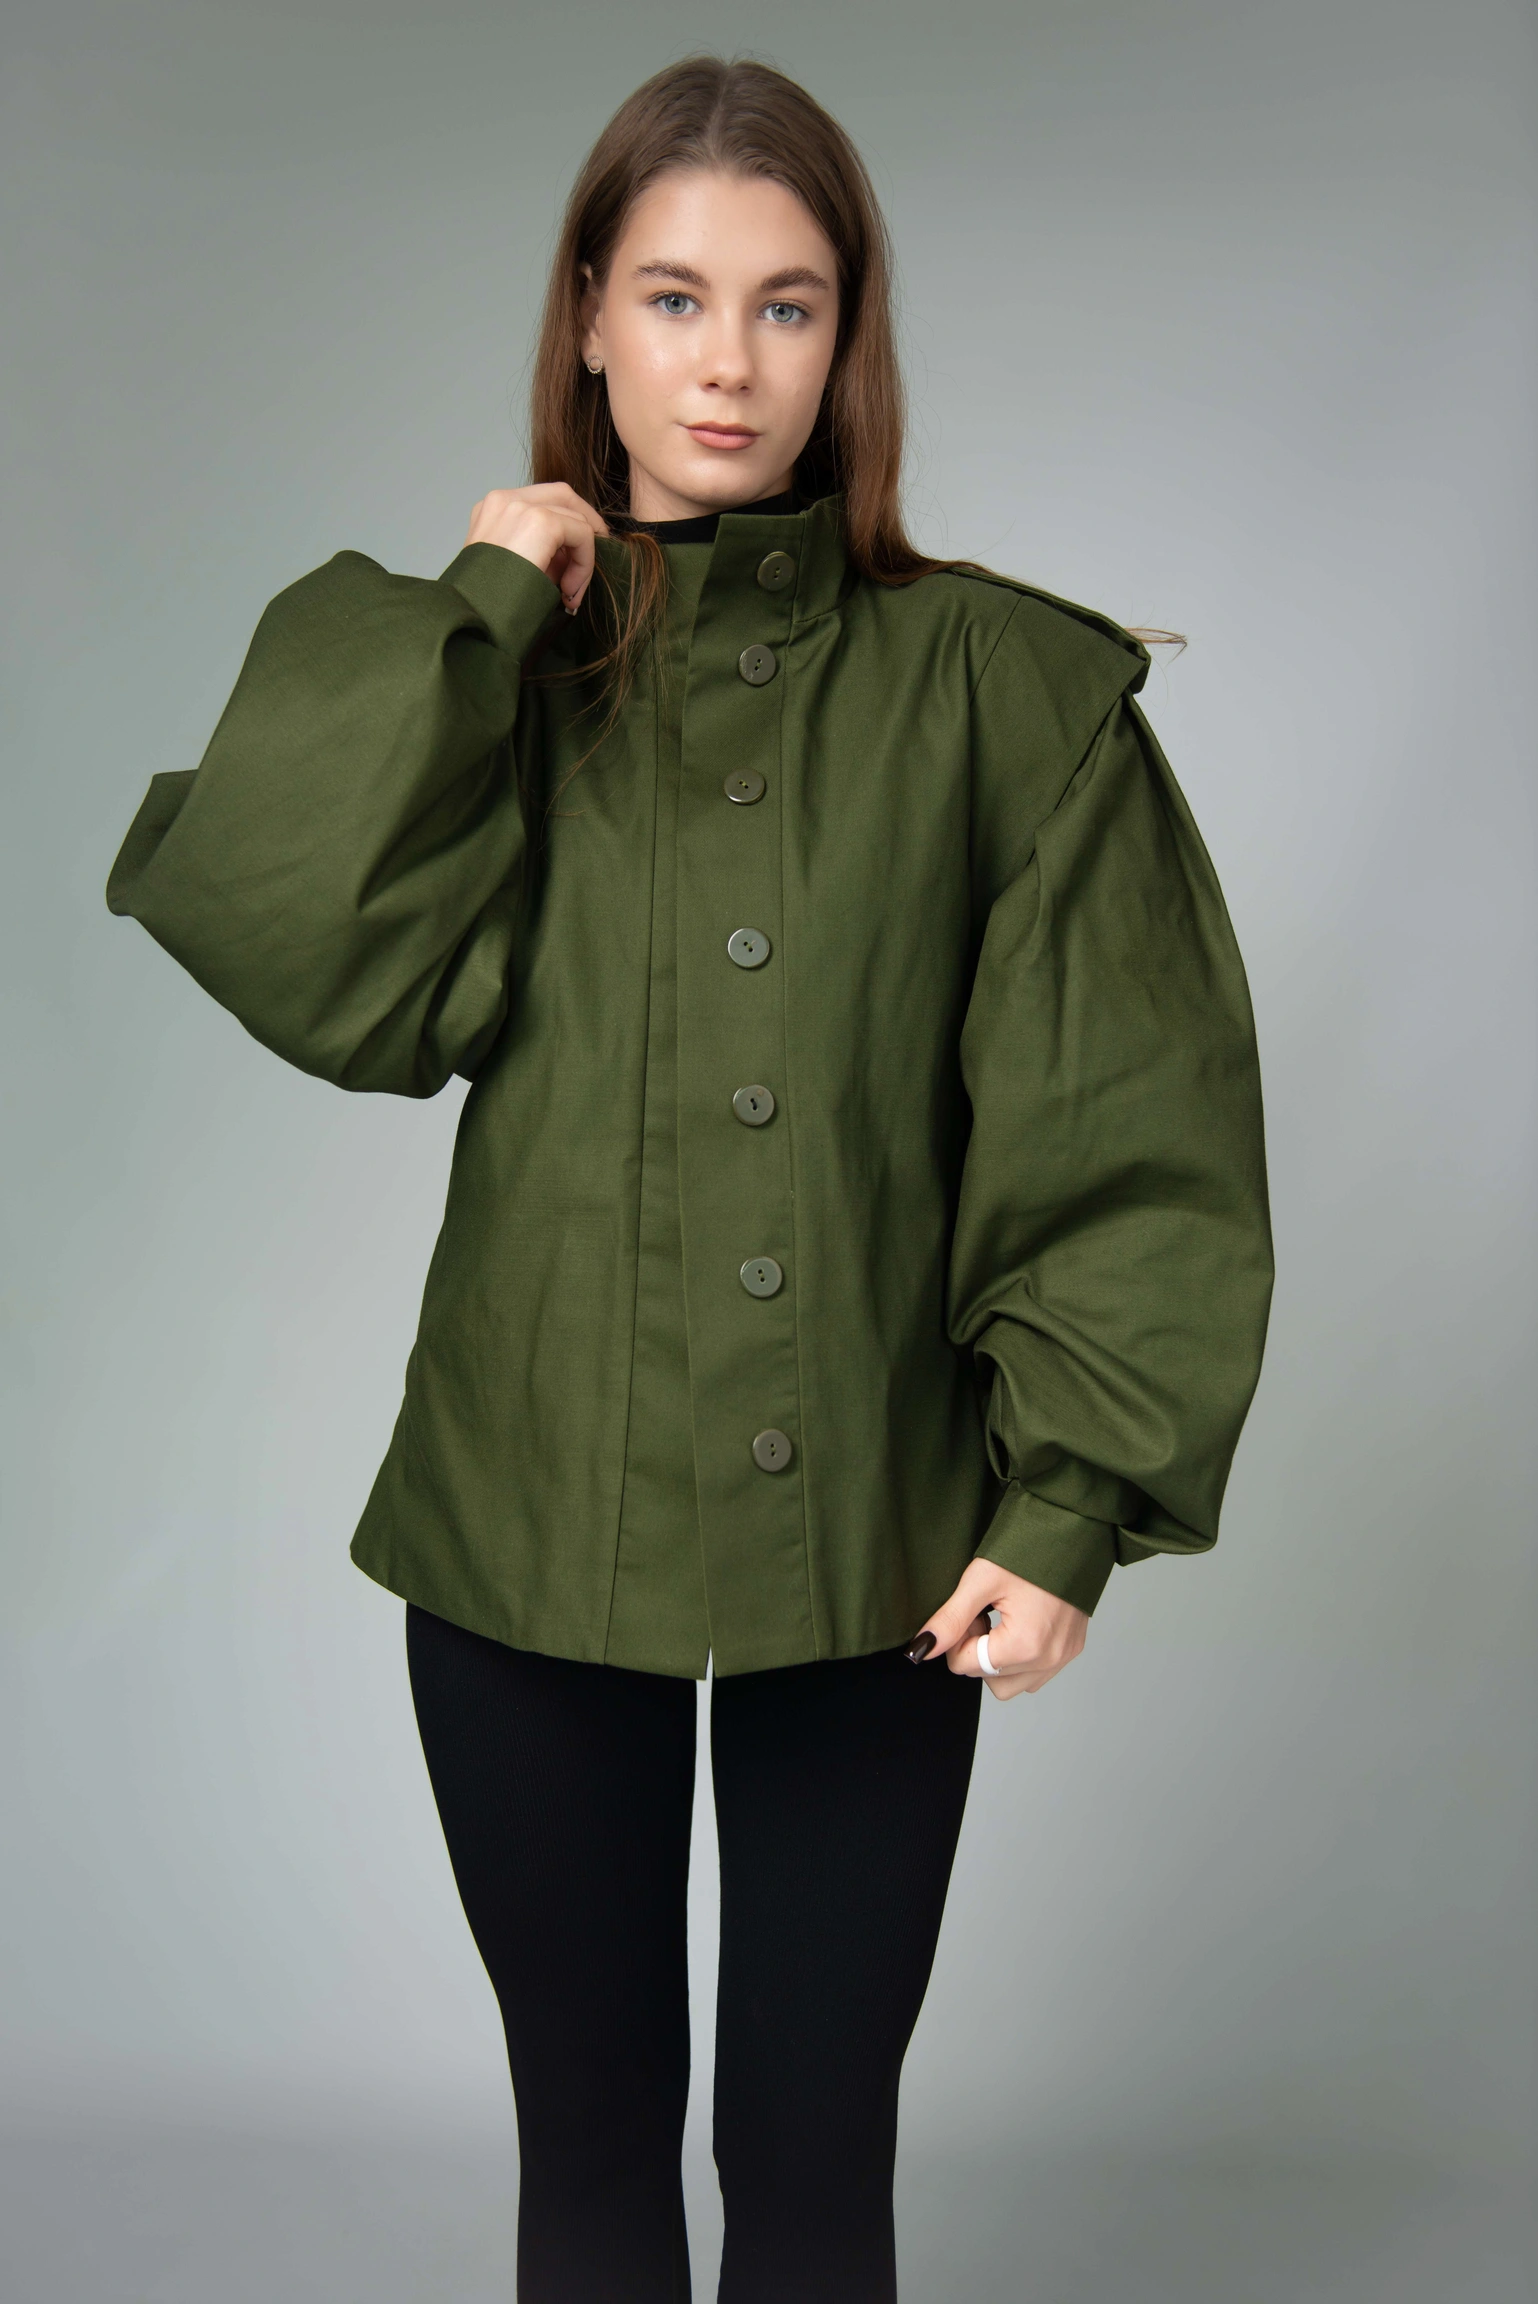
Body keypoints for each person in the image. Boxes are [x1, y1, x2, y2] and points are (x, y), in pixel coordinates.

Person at [105, 53, 1273, 2304]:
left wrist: (1069, 1503)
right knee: (588, 2152)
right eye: (671, 297)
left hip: (885, 1555)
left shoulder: (1007, 694)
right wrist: (478, 606)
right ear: (587, 317)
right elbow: (293, 937)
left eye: (785, 304)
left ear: (848, 340)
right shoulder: (501, 679)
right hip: (525, 1528)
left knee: (816, 2168)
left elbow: (1128, 1119)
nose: (726, 361)